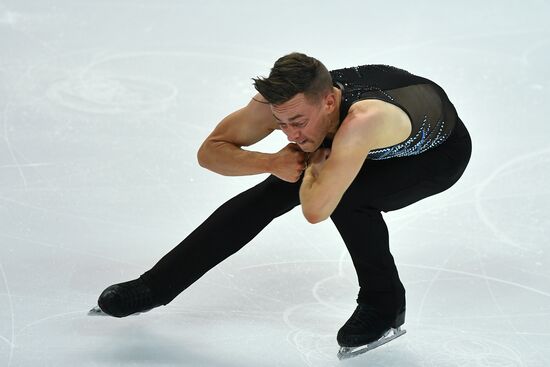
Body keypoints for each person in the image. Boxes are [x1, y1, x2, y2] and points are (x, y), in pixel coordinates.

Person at [93, 52, 472, 351]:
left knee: (349, 199)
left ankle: (384, 304)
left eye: (297, 122)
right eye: (281, 124)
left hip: (432, 157)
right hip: (351, 140)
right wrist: (271, 162)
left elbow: (316, 209)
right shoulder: (282, 103)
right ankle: (154, 287)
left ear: (327, 101)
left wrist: (312, 169)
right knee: (270, 190)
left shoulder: (363, 119)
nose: (290, 133)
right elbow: (210, 153)